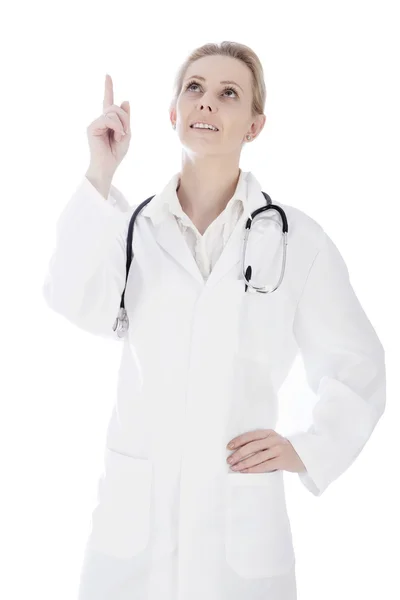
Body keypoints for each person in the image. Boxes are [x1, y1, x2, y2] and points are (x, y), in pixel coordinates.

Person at [42, 41, 386, 600]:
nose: (208, 103)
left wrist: (311, 446)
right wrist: (100, 171)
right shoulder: (131, 231)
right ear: (173, 113)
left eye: (229, 93)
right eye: (194, 89)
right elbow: (69, 296)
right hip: (134, 530)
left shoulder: (297, 240)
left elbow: (359, 364)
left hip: (239, 529)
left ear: (255, 125)